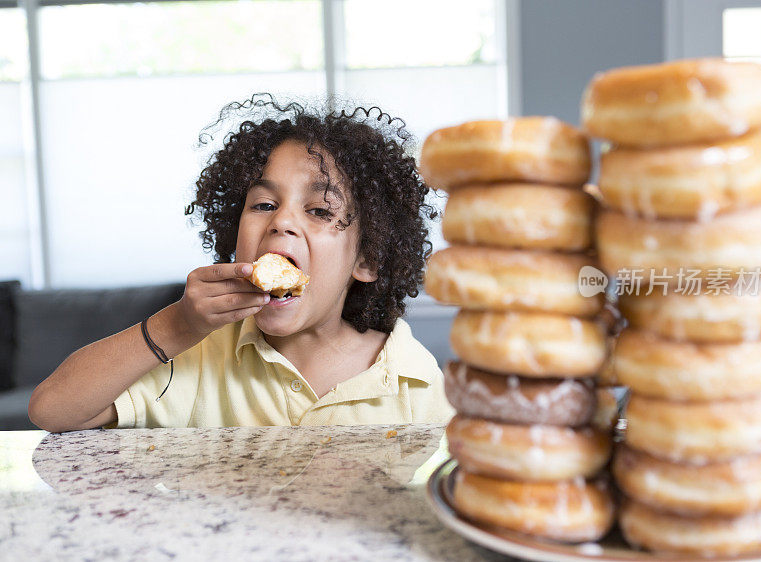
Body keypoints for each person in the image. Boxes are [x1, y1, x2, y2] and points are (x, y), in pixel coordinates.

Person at [28, 94, 455, 431]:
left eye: (320, 211)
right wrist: (177, 325)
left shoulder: (412, 379)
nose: (282, 221)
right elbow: (53, 410)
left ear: (368, 260)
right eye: (264, 203)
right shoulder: (202, 354)